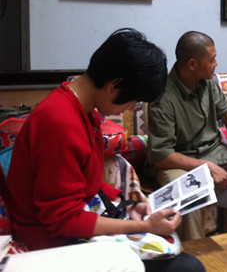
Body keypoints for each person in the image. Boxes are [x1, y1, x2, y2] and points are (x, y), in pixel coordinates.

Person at [7, 28, 204, 272]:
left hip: (68, 226)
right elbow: (63, 220)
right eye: (134, 101)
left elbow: (80, 181)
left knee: (181, 261)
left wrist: (128, 205)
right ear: (114, 86)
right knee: (185, 267)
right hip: (49, 243)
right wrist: (145, 227)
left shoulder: (82, 110)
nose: (131, 108)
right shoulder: (60, 122)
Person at [146, 31, 227, 240]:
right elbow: (161, 156)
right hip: (177, 162)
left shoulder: (207, 82)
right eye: (212, 59)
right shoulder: (162, 99)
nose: (216, 64)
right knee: (187, 188)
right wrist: (205, 167)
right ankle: (196, 251)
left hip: (213, 152)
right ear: (192, 64)